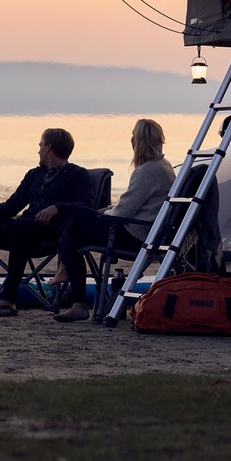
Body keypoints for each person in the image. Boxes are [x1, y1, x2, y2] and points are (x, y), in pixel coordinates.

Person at [0, 128, 94, 317]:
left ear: (49, 147)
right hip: (21, 229)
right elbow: (11, 207)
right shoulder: (34, 175)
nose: (38, 150)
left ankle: (9, 299)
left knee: (20, 228)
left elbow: (86, 206)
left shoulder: (77, 174)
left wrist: (57, 207)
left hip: (50, 233)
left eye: (40, 145)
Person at [52, 118, 175, 323]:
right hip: (145, 230)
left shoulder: (148, 171)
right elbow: (136, 203)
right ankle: (77, 300)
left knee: (81, 214)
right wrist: (108, 209)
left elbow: (123, 211)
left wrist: (105, 214)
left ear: (138, 142)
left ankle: (75, 294)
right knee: (74, 239)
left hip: (136, 234)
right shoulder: (163, 166)